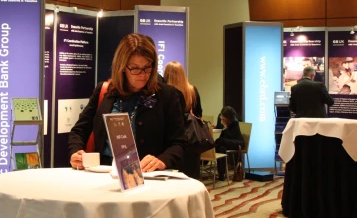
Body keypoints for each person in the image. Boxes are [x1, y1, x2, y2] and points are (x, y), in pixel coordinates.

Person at [68, 34, 186, 173]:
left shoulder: (167, 95)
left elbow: (180, 143)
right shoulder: (104, 91)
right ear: (122, 67)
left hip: (146, 176)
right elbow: (79, 130)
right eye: (135, 68)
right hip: (104, 173)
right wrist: (76, 152)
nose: (143, 74)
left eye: (147, 67)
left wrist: (163, 160)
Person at [163, 61, 203, 179]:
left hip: (170, 144)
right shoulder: (192, 91)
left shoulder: (164, 94)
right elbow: (199, 114)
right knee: (191, 179)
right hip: (191, 141)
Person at [211, 106, 244, 181]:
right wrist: (216, 127)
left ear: (228, 118)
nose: (221, 118)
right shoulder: (220, 118)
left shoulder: (234, 122)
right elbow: (219, 128)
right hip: (225, 142)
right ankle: (221, 174)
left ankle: (209, 154)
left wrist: (226, 127)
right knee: (221, 147)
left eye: (223, 117)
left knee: (219, 141)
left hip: (236, 142)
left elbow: (231, 136)